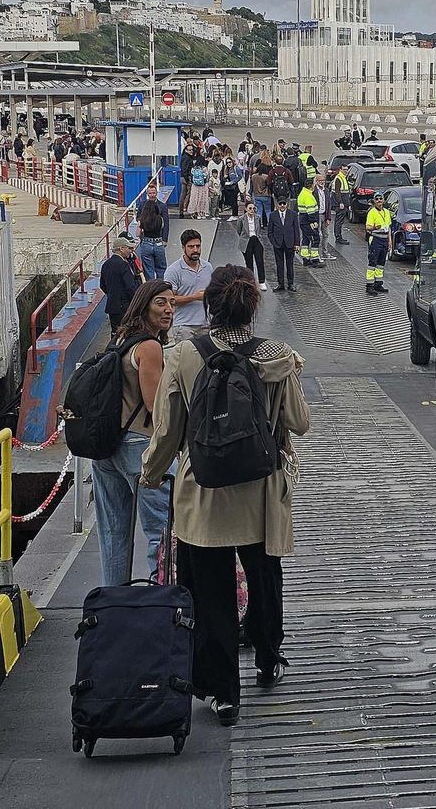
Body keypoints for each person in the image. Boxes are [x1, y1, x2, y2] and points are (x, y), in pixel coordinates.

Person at [139, 266, 311, 726]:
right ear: (253, 307)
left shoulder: (183, 355)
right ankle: (268, 657)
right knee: (264, 579)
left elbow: (168, 430)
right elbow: (299, 421)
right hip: (262, 489)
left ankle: (222, 693)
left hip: (204, 491)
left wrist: (151, 474)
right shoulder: (277, 355)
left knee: (210, 591)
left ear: (210, 305)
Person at [92, 280, 174, 587]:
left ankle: (113, 604)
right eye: (161, 303)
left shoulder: (122, 338)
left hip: (108, 447)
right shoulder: (150, 347)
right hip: (139, 445)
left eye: (171, 304)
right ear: (144, 304)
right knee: (162, 532)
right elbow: (155, 406)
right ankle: (163, 601)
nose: (168, 310)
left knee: (113, 534)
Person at [164, 229, 214, 336]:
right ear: (183, 248)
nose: (195, 250)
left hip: (205, 324)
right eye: (191, 247)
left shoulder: (208, 267)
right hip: (183, 326)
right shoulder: (173, 270)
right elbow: (170, 299)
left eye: (198, 246)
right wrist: (194, 297)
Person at [99, 235, 142, 334]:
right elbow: (130, 287)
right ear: (121, 249)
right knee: (127, 332)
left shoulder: (106, 264)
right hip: (125, 306)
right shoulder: (123, 265)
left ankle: (113, 349)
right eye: (129, 248)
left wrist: (112, 294)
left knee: (115, 333)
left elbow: (102, 285)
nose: (131, 251)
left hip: (112, 306)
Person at [136, 179, 170, 280]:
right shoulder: (142, 205)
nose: (152, 195)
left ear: (157, 193)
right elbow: (164, 223)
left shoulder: (162, 206)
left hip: (148, 242)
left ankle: (151, 289)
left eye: (154, 193)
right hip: (156, 242)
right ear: (147, 194)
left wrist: (165, 239)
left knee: (148, 269)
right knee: (161, 268)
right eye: (150, 193)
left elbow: (167, 223)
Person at [235, 195, 268, 290]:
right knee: (249, 263)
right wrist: (244, 238)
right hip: (246, 241)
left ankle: (262, 281)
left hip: (256, 240)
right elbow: (239, 230)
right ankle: (250, 281)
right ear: (246, 209)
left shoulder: (258, 217)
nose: (252, 210)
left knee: (260, 261)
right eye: (250, 208)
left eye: (254, 208)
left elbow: (259, 230)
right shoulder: (241, 219)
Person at [267, 196, 299, 292]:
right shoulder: (273, 215)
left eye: (283, 204)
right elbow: (270, 231)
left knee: (290, 265)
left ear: (287, 204)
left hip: (290, 243)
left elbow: (296, 230)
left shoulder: (292, 214)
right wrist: (273, 242)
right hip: (278, 244)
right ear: (277, 205)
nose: (282, 206)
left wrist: (297, 243)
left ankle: (290, 284)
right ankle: (280, 284)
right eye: (280, 204)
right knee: (279, 264)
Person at [364, 191, 392, 295]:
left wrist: (390, 241)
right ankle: (369, 285)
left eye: (381, 199)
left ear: (384, 200)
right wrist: (375, 227)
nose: (379, 201)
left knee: (381, 263)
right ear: (374, 201)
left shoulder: (387, 212)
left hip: (384, 240)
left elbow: (388, 228)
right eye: (377, 199)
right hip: (375, 239)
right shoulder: (372, 212)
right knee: (372, 263)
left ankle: (378, 284)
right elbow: (367, 227)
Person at [295, 178, 324, 268]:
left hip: (304, 221)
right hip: (309, 222)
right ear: (311, 186)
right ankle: (315, 260)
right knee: (315, 239)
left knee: (305, 240)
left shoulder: (303, 193)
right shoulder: (308, 196)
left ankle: (305, 258)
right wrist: (314, 221)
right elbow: (311, 211)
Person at [328, 161, 352, 245]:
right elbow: (337, 192)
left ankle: (339, 236)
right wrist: (340, 202)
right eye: (344, 169)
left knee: (340, 221)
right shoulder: (339, 178)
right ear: (340, 170)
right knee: (339, 221)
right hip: (340, 204)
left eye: (346, 169)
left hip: (343, 203)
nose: (346, 171)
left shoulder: (343, 177)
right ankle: (338, 237)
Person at [186, 152, 213, 219]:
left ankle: (197, 213)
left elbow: (191, 177)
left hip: (195, 186)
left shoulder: (193, 168)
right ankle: (202, 213)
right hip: (203, 186)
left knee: (196, 199)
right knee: (203, 199)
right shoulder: (204, 168)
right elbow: (207, 176)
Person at [250, 158, 273, 227]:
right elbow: (270, 185)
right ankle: (270, 223)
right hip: (266, 195)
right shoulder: (266, 177)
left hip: (257, 195)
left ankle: (260, 224)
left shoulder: (253, 176)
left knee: (259, 211)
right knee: (268, 211)